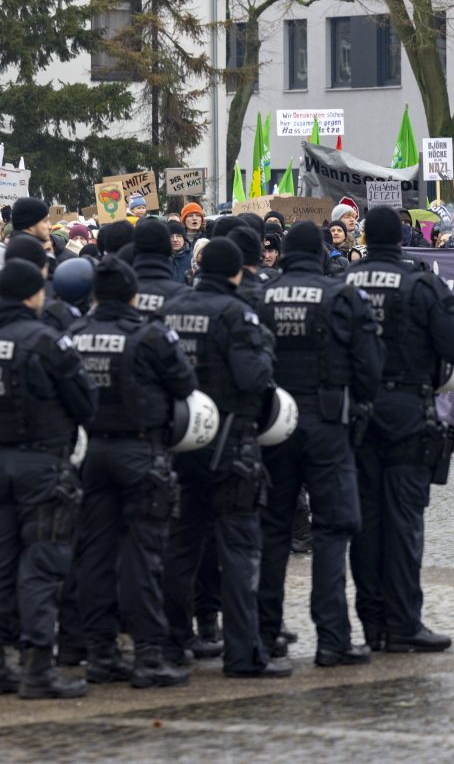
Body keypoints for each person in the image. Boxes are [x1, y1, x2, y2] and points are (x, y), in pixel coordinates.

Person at [346, 206, 454, 653]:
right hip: (406, 410)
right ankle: (403, 623)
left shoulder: (344, 282)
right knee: (403, 520)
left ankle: (372, 625)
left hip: (356, 413)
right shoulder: (419, 284)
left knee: (365, 522)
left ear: (364, 237)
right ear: (401, 238)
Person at [257, 222, 383, 667]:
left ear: (284, 253)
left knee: (273, 529)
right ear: (321, 253)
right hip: (329, 423)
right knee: (332, 530)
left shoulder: (261, 296)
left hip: (274, 424)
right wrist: (356, 405)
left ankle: (264, 634)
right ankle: (332, 638)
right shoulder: (342, 296)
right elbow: (370, 366)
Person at [159, 239, 284, 678]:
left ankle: (172, 645)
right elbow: (253, 377)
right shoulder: (236, 314)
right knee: (239, 550)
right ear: (236, 272)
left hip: (182, 443)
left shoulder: (171, 309)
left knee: (180, 548)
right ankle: (243, 653)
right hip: (231, 443)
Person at [72, 257, 196, 688]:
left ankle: (101, 653)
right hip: (141, 451)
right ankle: (148, 656)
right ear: (132, 295)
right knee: (144, 556)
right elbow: (185, 385)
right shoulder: (150, 335)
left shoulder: (75, 334)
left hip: (92, 453)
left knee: (94, 555)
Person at [0, 259, 96, 699]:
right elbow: (84, 403)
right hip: (42, 464)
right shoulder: (46, 340)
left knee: (2, 565)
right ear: (30, 294)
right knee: (42, 564)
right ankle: (37, 665)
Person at [131, 219, 189, 316]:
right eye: (171, 237)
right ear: (167, 246)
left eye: (178, 236)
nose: (175, 240)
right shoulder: (182, 294)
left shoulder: (122, 292)